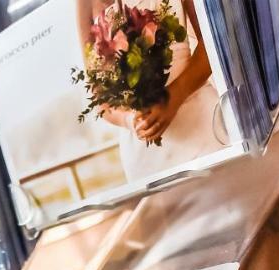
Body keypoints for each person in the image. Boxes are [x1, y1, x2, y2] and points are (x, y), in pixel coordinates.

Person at [77, 0, 223, 181]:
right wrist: (132, 121)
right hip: (145, 153)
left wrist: (173, 97)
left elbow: (212, 42)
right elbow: (99, 93)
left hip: (201, 126)